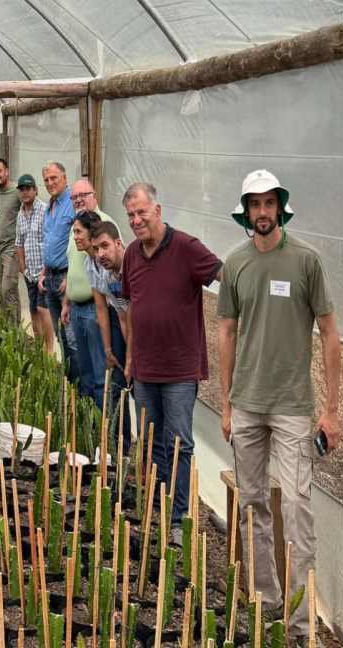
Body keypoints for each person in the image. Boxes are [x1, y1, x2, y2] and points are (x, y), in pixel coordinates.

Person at [217, 170, 340, 639]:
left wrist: (331, 410)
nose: (263, 212)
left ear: (280, 208)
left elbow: (329, 333)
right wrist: (226, 404)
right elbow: (226, 332)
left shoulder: (306, 261)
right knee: (252, 506)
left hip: (292, 406)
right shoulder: (235, 264)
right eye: (255, 204)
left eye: (270, 203)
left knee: (296, 508)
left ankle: (300, 621)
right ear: (246, 212)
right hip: (247, 404)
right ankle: (266, 601)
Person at [122, 182, 222, 530]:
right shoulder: (132, 254)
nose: (136, 220)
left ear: (158, 211)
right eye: (131, 215)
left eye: (141, 212)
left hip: (179, 370)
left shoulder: (186, 247)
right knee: (151, 444)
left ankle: (177, 520)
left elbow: (223, 274)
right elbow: (131, 305)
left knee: (178, 444)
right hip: (145, 369)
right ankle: (156, 511)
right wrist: (131, 358)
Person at [61, 180, 116, 406]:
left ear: (94, 194)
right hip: (77, 308)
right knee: (85, 371)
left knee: (100, 374)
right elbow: (72, 267)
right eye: (74, 197)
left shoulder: (105, 226)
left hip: (95, 310)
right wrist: (67, 301)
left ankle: (104, 421)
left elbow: (111, 273)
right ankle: (90, 419)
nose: (78, 200)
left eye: (83, 195)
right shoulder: (78, 226)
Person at [87, 221, 131, 449]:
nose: (100, 254)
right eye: (96, 249)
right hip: (135, 343)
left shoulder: (133, 268)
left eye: (105, 246)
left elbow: (137, 316)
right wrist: (129, 358)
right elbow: (124, 318)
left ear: (118, 243)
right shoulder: (109, 277)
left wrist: (133, 358)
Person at [37, 161, 77, 381]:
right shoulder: (49, 207)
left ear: (64, 177)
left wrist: (71, 277)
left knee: (72, 336)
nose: (50, 183)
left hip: (65, 277)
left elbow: (80, 243)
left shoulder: (73, 203)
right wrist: (43, 272)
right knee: (60, 333)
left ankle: (79, 387)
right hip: (51, 277)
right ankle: (67, 381)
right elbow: (50, 242)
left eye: (54, 178)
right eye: (46, 180)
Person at [14, 174, 53, 352]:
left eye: (28, 188)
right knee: (33, 309)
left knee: (44, 309)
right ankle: (39, 347)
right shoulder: (20, 214)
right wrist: (23, 267)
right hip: (29, 273)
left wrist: (46, 269)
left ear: (35, 190)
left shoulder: (45, 210)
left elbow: (50, 240)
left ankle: (49, 351)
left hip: (44, 272)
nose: (25, 192)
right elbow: (19, 243)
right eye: (22, 189)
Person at [0, 158, 22, 321]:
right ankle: (5, 323)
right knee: (3, 288)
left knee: (8, 287)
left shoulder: (17, 191)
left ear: (7, 172)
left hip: (12, 248)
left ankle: (14, 329)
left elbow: (29, 207)